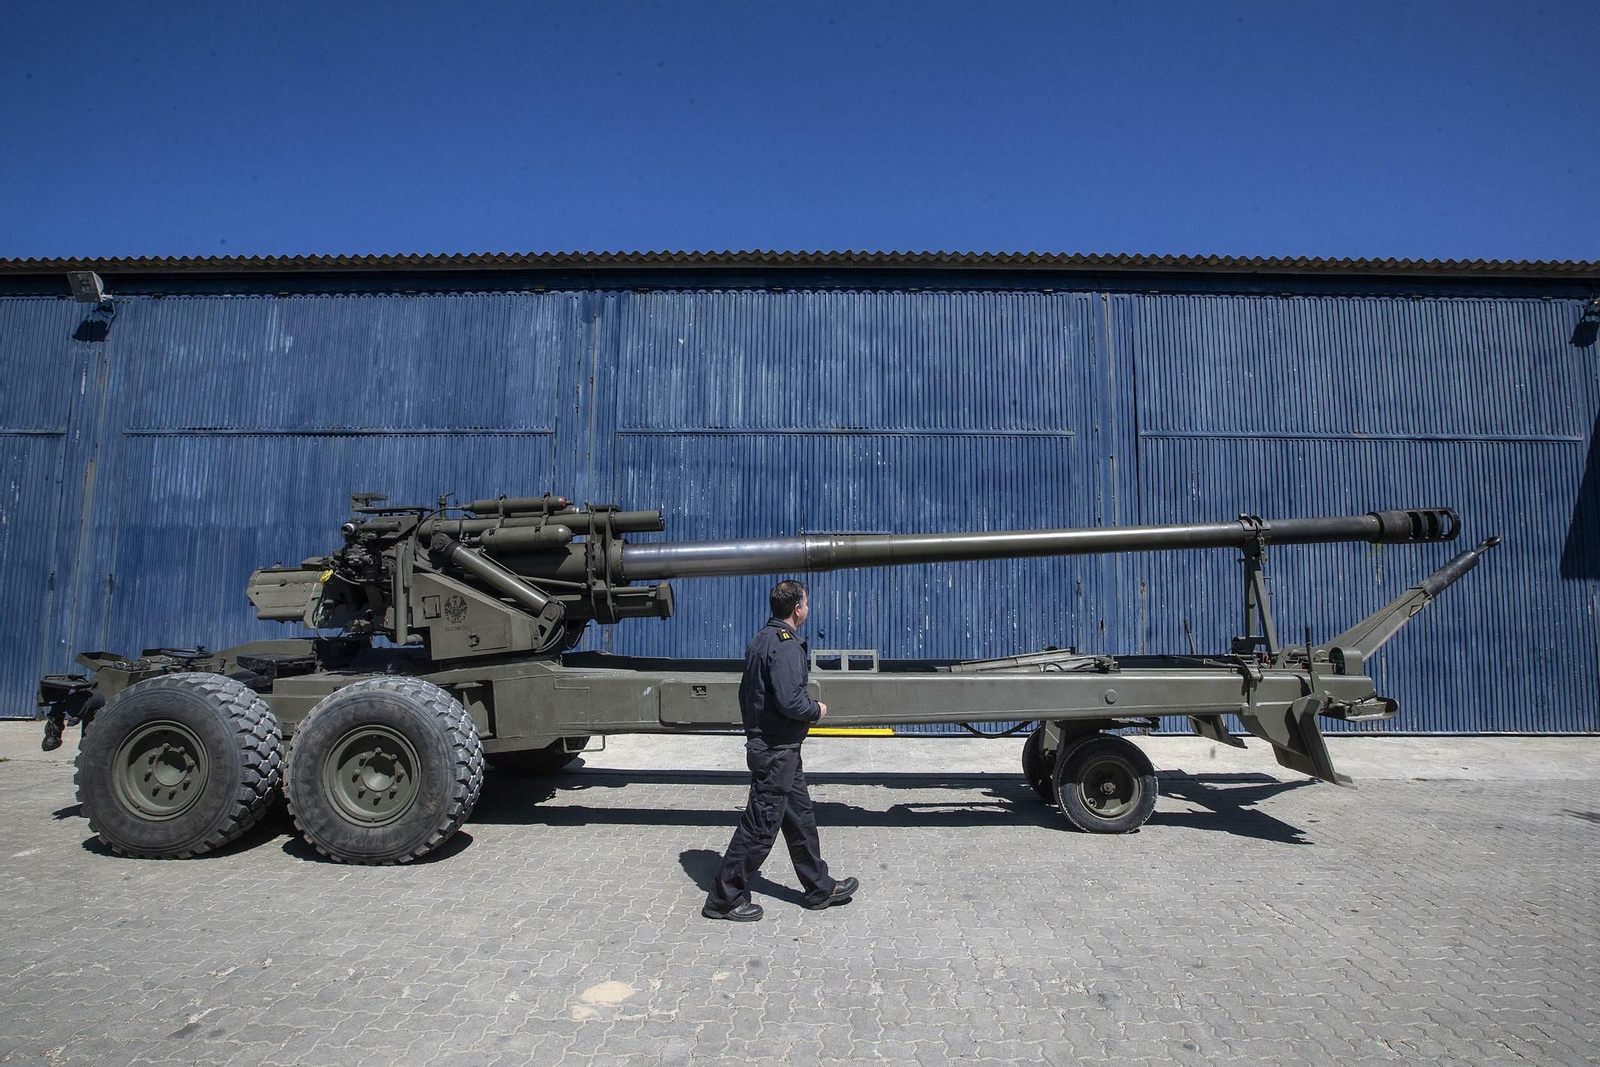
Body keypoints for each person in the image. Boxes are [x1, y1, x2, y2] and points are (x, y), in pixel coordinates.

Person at [702, 579, 858, 921]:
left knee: (800, 819)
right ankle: (722, 899)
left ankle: (819, 888)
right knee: (760, 827)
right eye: (807, 602)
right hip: (776, 751)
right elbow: (790, 700)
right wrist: (816, 710)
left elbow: (746, 695)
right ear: (797, 608)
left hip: (780, 748)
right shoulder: (785, 646)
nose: (808, 608)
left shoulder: (762, 639)